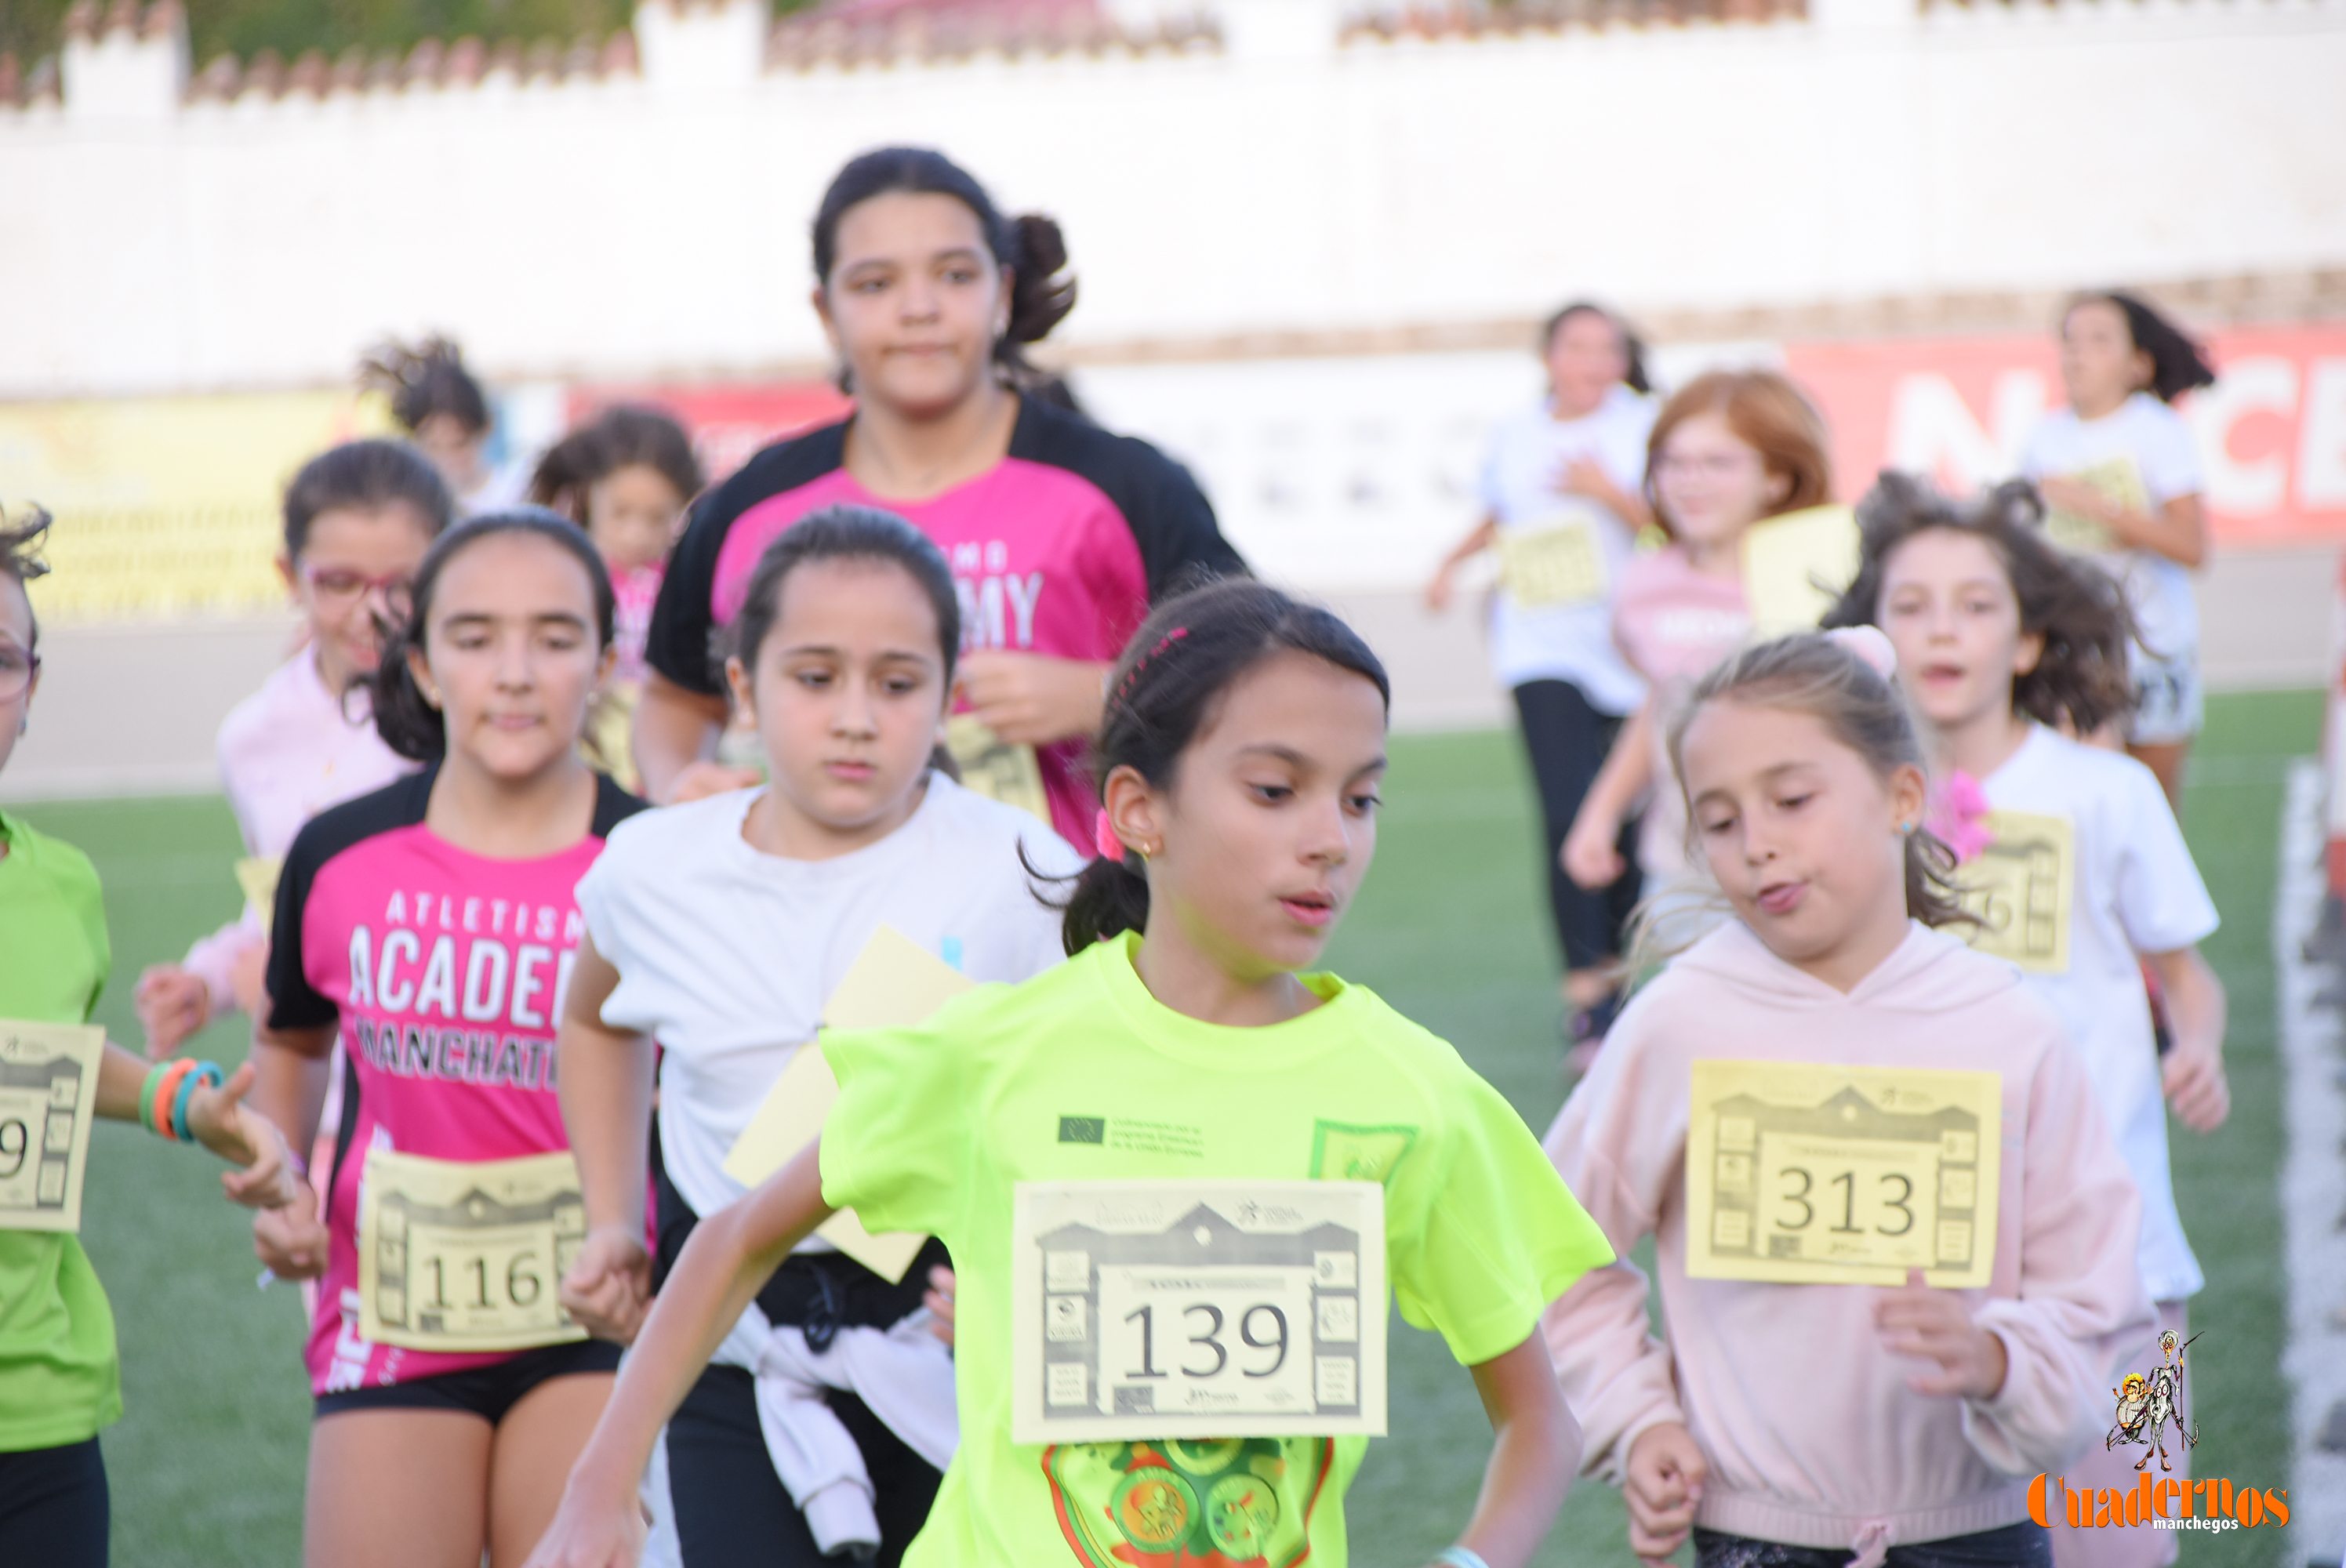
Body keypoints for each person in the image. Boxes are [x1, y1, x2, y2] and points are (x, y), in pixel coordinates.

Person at [528, 578, 1613, 1568]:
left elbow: (1538, 1420)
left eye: (1361, 799)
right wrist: (602, 1482)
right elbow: (738, 1234)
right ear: (1139, 809)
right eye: (1277, 790)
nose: (1330, 838)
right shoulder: (993, 1054)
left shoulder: (1413, 1095)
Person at [1542, 627, 2153, 1567]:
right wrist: (1635, 1416)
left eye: (1792, 798)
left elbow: (2099, 1299)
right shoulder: (1677, 1024)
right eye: (1717, 819)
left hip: (1980, 1533)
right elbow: (1550, 1248)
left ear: (1903, 795)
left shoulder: (2006, 1027)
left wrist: (1999, 1361)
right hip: (1754, 1538)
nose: (1758, 844)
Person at [556, 506, 1082, 1566]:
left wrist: (1020, 1260)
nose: (855, 717)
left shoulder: (1025, 872)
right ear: (743, 688)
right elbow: (590, 1015)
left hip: (949, 1347)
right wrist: (614, 1211)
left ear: (947, 692)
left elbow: (1083, 1087)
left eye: (897, 683)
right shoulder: (653, 869)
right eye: (813, 677)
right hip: (730, 1350)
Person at [1826, 474, 2227, 1568]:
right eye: (1911, 606)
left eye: (1974, 603)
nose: (1942, 627)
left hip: (2128, 1271)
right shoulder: (1846, 816)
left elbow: (2185, 975)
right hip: (1930, 1282)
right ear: (1875, 635)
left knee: (2128, 1541)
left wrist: (2198, 1044)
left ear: (2024, 639)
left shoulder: (2108, 793)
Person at [632, 146, 1245, 845]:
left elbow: (1258, 681)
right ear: (825, 310)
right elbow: (673, 702)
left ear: (1003, 292)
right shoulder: (748, 507)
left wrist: (1103, 695)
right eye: (874, 284)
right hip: (813, 938)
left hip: (1067, 934)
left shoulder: (1127, 488)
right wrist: (679, 781)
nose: (918, 308)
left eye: (954, 275)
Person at [242, 510, 648, 1568]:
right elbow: (290, 1044)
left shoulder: (659, 863)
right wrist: (279, 1173)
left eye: (555, 639)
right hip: (392, 1314)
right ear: (419, 666)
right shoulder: (337, 856)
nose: (514, 673)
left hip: (600, 1327)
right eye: (474, 638)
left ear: (605, 663)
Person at [0, 506, 303, 1567]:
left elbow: (41, 1066)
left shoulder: (60, 886)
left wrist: (188, 1106)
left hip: (38, 1409)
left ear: (33, 688)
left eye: (0, 659)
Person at [136, 440, 455, 1058]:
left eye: (404, 585)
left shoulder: (471, 717)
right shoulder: (253, 738)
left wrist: (293, 985)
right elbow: (282, 899)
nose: (373, 612)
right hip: (311, 1100)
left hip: (433, 1090)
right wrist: (213, 979)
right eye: (340, 583)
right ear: (290, 576)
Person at [1560, 371, 1833, 1045]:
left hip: (1803, 858)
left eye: (1718, 462)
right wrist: (1598, 816)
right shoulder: (1644, 583)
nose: (1690, 481)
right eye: (1673, 463)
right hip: (1681, 857)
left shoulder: (1821, 576)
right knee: (1701, 1040)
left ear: (1777, 476)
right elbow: (1664, 704)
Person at [1423, 302, 1656, 1045]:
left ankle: (1619, 974)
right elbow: (1503, 515)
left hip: (1630, 647)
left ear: (1623, 361)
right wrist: (1451, 566)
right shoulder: (1516, 435)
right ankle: (1584, 993)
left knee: (1629, 817)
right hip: (1539, 644)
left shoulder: (1645, 426)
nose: (1590, 361)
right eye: (1576, 346)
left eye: (1605, 349)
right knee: (1565, 812)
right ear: (1548, 356)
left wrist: (1606, 492)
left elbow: (1675, 524)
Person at [2017, 292, 2217, 809]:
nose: (2076, 354)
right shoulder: (2042, 439)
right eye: (2069, 340)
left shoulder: (2159, 431)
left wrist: (2101, 508)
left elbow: (2192, 547)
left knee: (2152, 815)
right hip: (2075, 657)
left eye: (2099, 341)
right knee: (2085, 813)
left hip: (2154, 654)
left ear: (2137, 364)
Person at [528, 406, 705, 690]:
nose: (635, 534)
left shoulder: (684, 586)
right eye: (620, 513)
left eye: (656, 518)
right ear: (588, 499)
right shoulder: (563, 577)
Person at [363, 336, 529, 518]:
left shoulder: (519, 498)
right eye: (433, 446)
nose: (446, 461)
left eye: (459, 444)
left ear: (487, 427)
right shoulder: (408, 509)